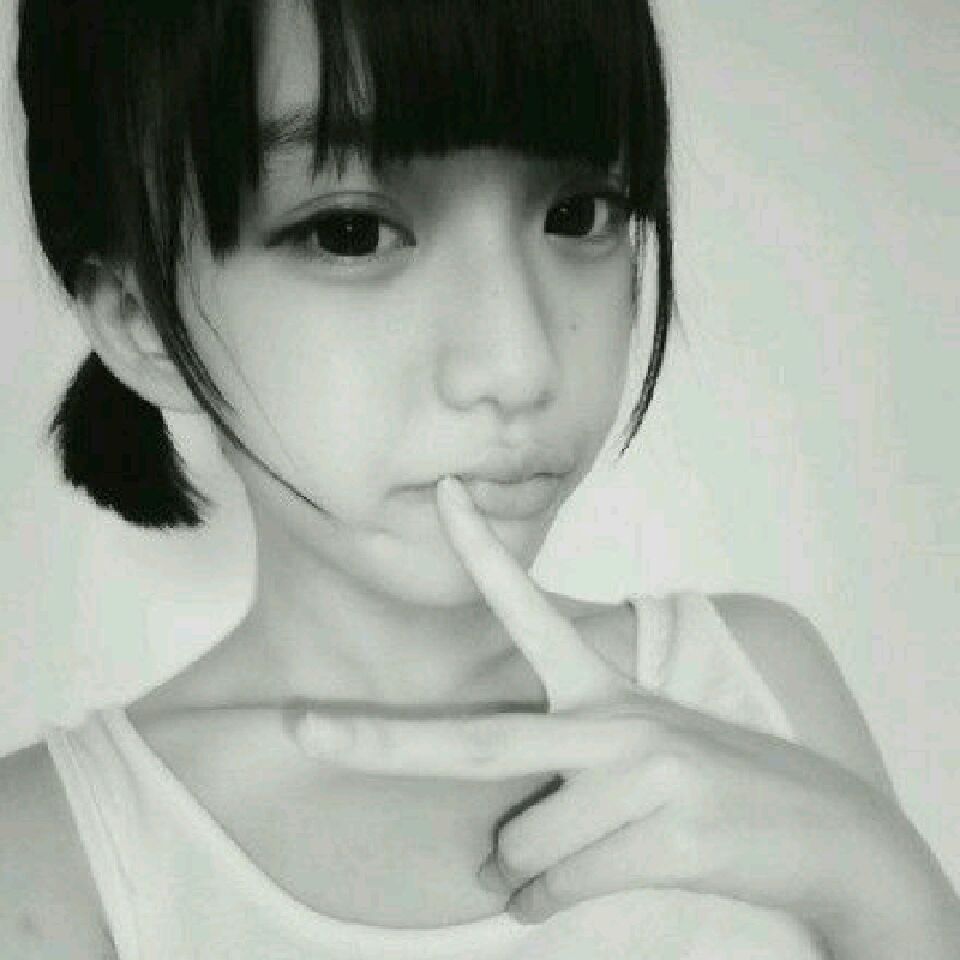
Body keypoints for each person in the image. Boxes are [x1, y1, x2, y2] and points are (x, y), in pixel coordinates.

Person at [2, 0, 957, 957]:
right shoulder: (54, 856)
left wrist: (881, 882)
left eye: (580, 214)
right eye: (350, 232)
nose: (521, 364)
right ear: (140, 319)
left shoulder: (754, 683)